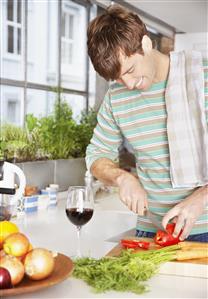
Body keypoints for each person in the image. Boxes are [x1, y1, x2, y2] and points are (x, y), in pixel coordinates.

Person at [85, 5, 208, 242]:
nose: (128, 84)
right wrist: (122, 178)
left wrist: (201, 198)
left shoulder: (201, 78)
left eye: (130, 70)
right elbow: (97, 154)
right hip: (151, 231)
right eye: (118, 78)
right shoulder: (116, 97)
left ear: (146, 44)